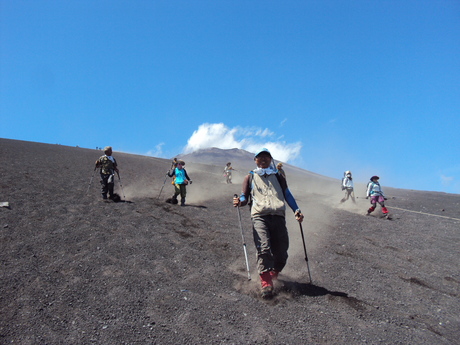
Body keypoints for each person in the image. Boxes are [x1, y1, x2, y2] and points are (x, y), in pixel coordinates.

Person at [233, 148, 304, 299]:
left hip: (278, 216)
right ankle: (266, 283)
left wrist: (296, 210)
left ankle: (273, 274)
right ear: (255, 160)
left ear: (271, 160)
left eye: (266, 157)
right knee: (263, 248)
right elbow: (244, 196)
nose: (263, 159)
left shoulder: (278, 176)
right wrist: (240, 201)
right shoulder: (250, 177)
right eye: (260, 157)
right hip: (259, 216)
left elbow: (287, 194)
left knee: (282, 252)